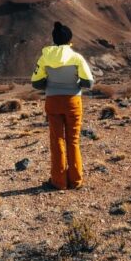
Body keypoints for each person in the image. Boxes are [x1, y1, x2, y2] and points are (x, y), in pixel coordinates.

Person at [30, 21, 94, 190]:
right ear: (69, 40)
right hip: (73, 101)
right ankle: (76, 180)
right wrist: (75, 84)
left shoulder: (44, 57)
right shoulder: (76, 57)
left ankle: (58, 182)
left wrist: (50, 85)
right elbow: (89, 82)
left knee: (56, 139)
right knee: (73, 140)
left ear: (54, 39)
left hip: (53, 101)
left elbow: (36, 82)